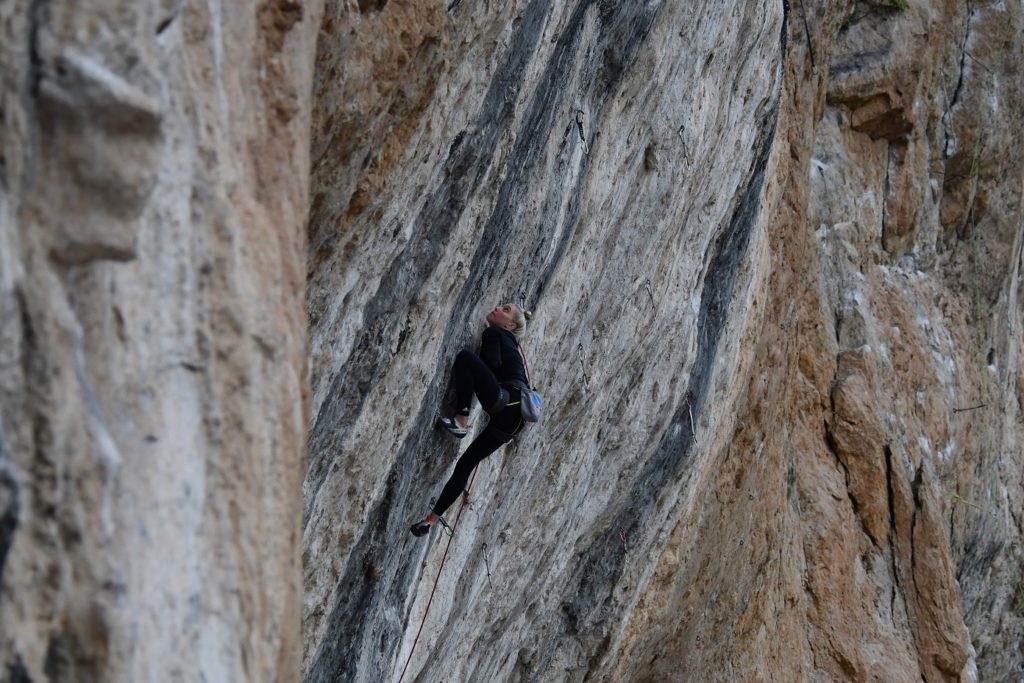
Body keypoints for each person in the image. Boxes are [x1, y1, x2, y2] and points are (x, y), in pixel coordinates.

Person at [410, 303, 533, 537]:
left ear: (510, 325)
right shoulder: (513, 347)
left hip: (507, 402)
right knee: (465, 464)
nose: (497, 308)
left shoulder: (495, 333)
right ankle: (431, 519)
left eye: (505, 309)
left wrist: (479, 376)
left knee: (466, 358)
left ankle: (462, 419)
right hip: (513, 420)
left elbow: (491, 364)